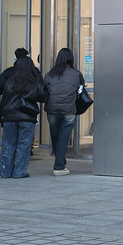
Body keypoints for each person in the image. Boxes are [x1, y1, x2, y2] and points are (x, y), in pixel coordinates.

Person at [0, 53, 45, 178]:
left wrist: (3, 117)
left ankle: (5, 171)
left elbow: (4, 99)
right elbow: (43, 97)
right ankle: (19, 172)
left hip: (10, 117)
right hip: (27, 117)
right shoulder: (35, 81)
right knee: (24, 145)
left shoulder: (9, 81)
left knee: (8, 145)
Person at [43, 47, 85, 176]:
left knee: (55, 136)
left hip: (52, 109)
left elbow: (44, 89)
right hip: (69, 110)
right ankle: (59, 166)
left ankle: (59, 159)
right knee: (63, 137)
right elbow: (81, 90)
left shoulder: (50, 74)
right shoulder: (77, 74)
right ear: (71, 59)